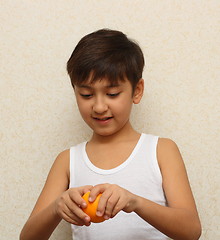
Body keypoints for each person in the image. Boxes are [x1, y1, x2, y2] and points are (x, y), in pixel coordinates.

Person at [20, 29, 201, 240]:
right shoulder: (67, 161)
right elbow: (28, 237)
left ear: (137, 91)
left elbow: (191, 231)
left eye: (112, 94)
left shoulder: (161, 150)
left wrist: (135, 202)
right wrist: (56, 208)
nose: (98, 106)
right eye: (86, 94)